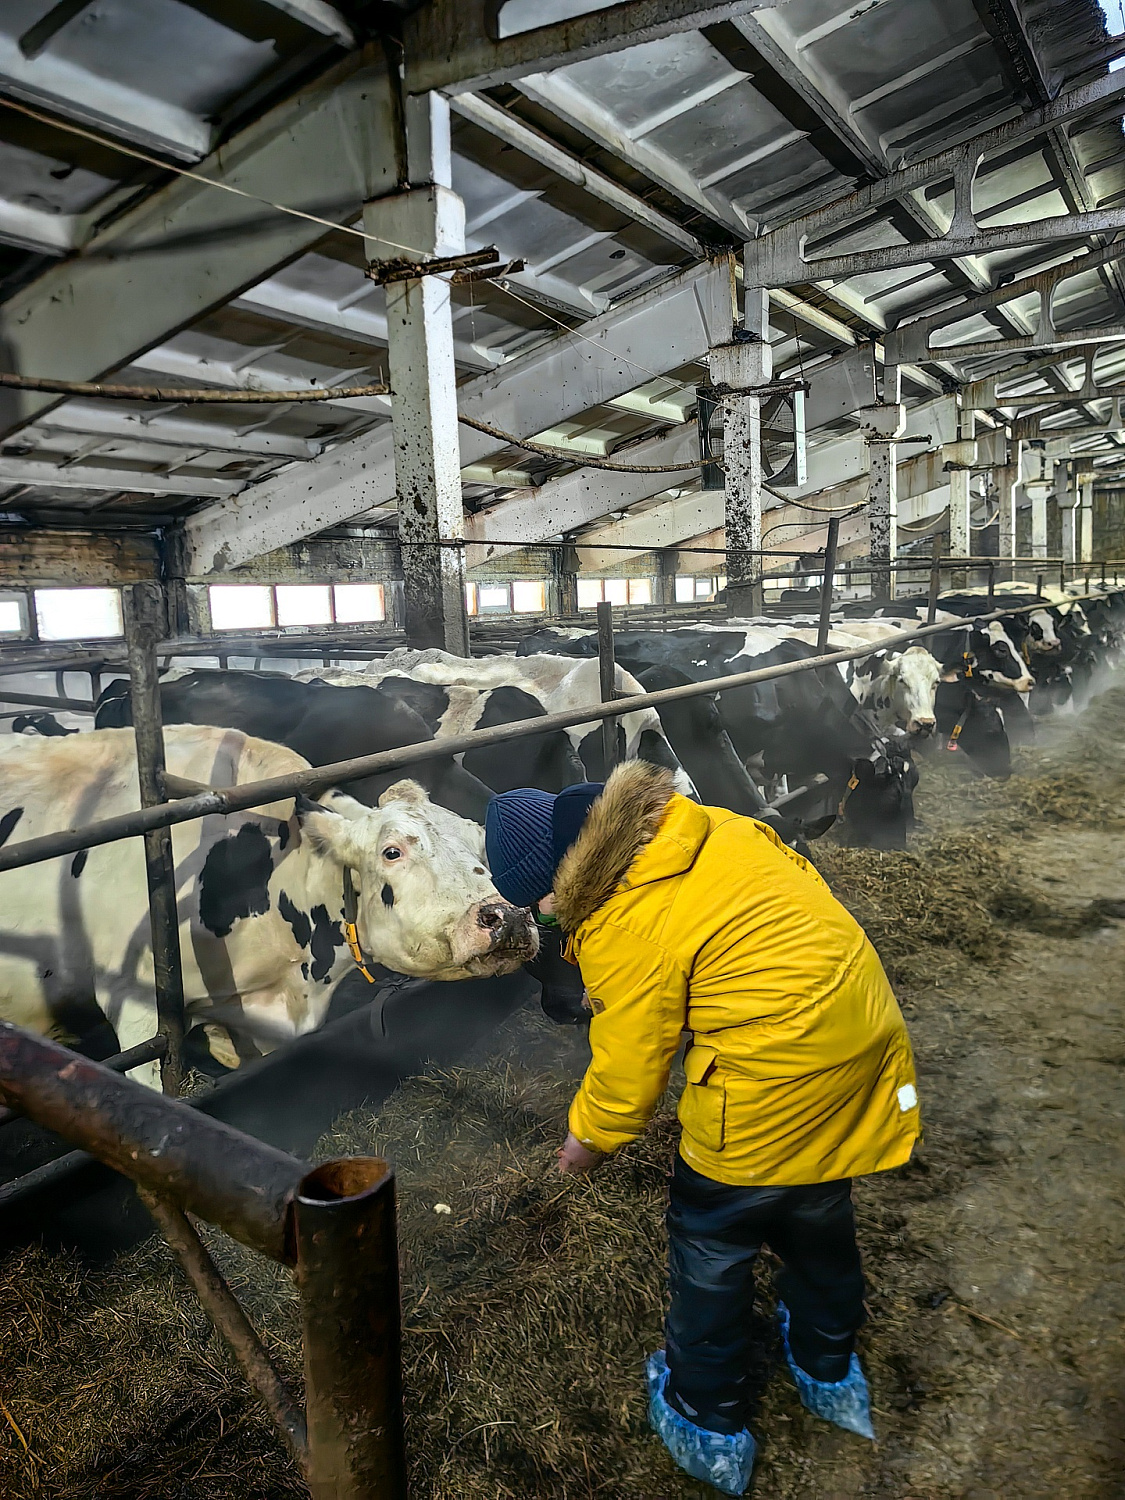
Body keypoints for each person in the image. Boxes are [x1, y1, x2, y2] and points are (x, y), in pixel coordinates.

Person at [485, 762, 920, 1496]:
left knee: (713, 1243)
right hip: (859, 1041)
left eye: (546, 903)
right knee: (817, 1208)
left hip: (768, 1084)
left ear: (564, 872)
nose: (552, 917)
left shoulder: (626, 916)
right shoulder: (711, 826)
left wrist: (578, 1147)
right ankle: (828, 1371)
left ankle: (707, 1419)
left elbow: (629, 1073)